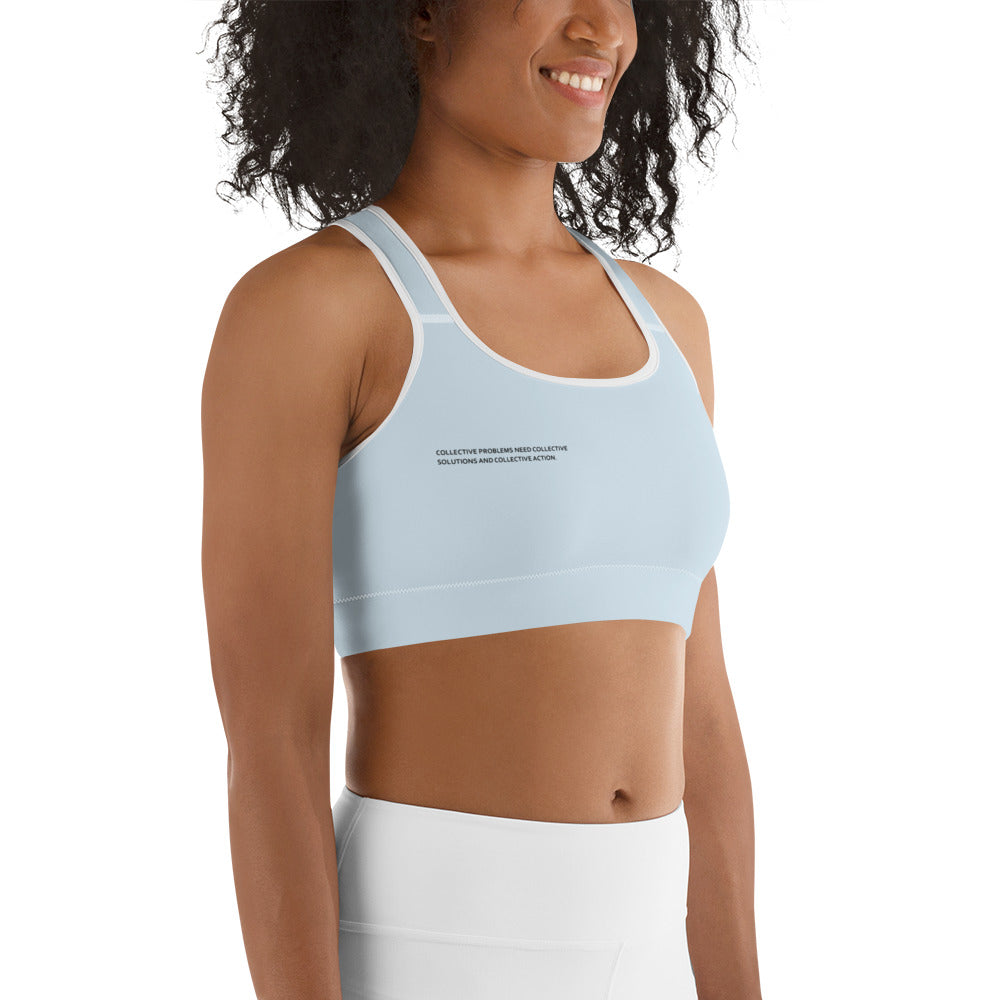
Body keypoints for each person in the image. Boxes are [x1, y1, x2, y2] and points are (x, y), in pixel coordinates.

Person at [200, 2, 762, 998]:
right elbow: (271, 742)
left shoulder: (668, 325)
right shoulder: (314, 310)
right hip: (435, 949)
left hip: (653, 952)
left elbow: (705, 720)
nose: (603, 27)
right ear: (419, 13)